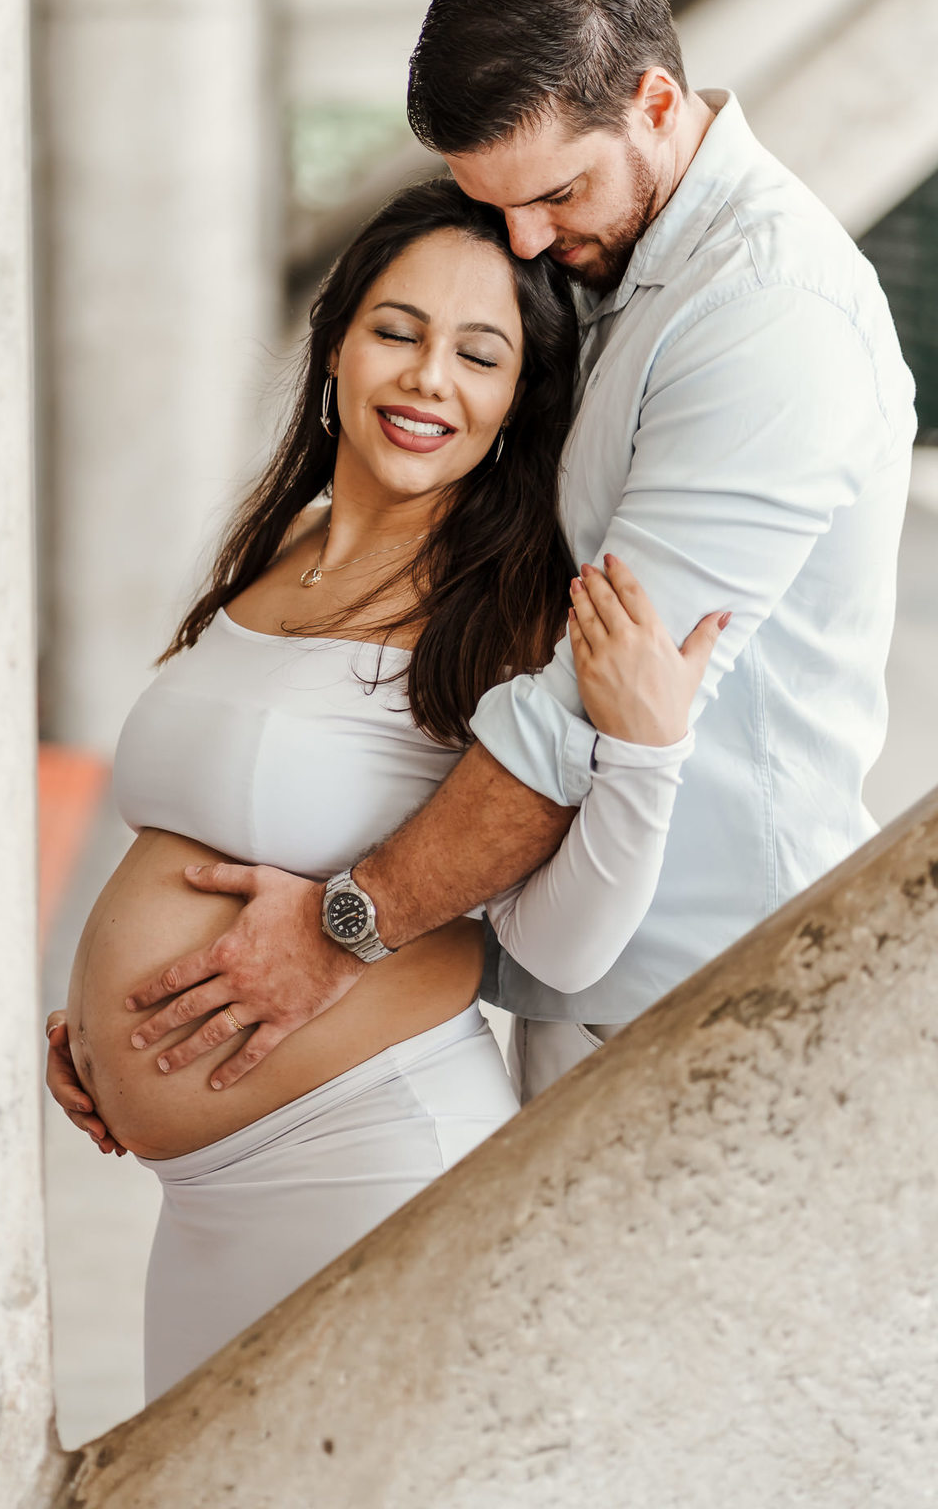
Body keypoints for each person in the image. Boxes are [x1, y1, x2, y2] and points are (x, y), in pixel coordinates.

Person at [120, 0, 917, 1107]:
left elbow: (574, 722)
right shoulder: (609, 258)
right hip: (576, 998)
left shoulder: (768, 316)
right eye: (495, 206)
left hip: (717, 1014)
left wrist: (342, 927)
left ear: (656, 102)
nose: (529, 240)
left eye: (554, 194)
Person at [46, 179, 723, 1397]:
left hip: (360, 1164)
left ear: (519, 402)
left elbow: (564, 944)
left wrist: (646, 755)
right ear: (338, 344)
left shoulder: (506, 607)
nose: (428, 382)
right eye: (399, 333)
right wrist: (105, 1027)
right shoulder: (286, 543)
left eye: (480, 355)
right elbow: (192, 820)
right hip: (204, 1201)